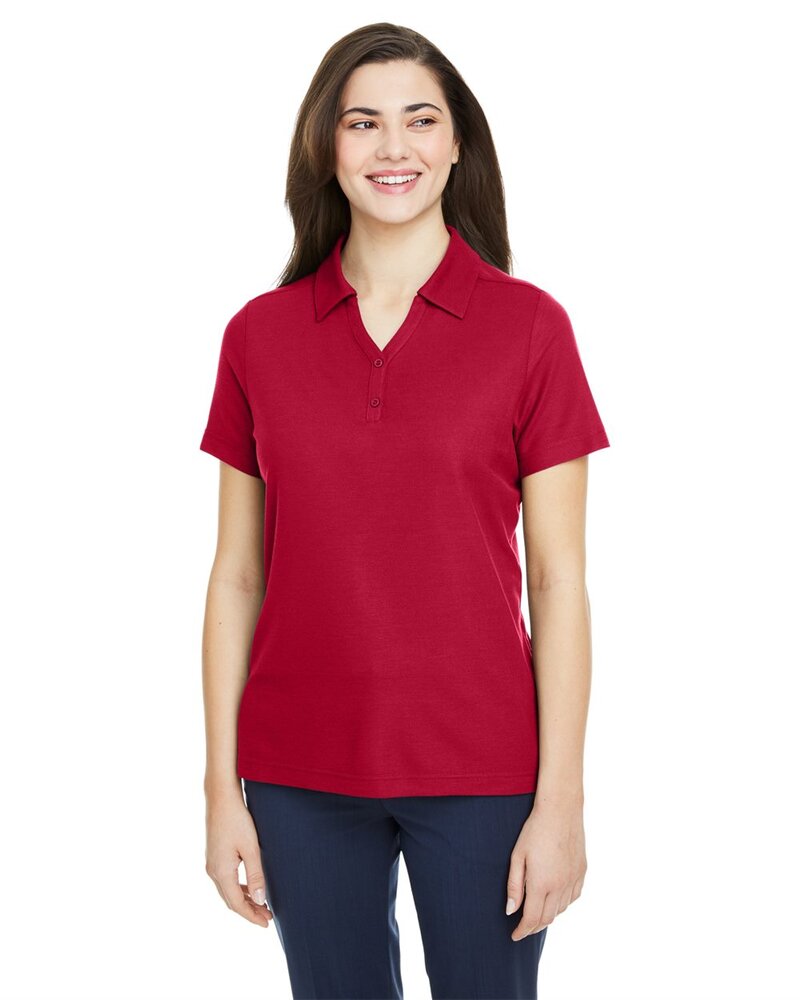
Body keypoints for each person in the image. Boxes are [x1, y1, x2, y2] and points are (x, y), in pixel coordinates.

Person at [199, 22, 610, 1000]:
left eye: (420, 120)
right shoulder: (258, 336)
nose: (394, 147)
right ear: (326, 146)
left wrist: (560, 799)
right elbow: (237, 574)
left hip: (484, 764)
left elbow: (558, 581)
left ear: (458, 142)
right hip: (299, 768)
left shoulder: (531, 329)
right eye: (362, 123)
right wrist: (220, 788)